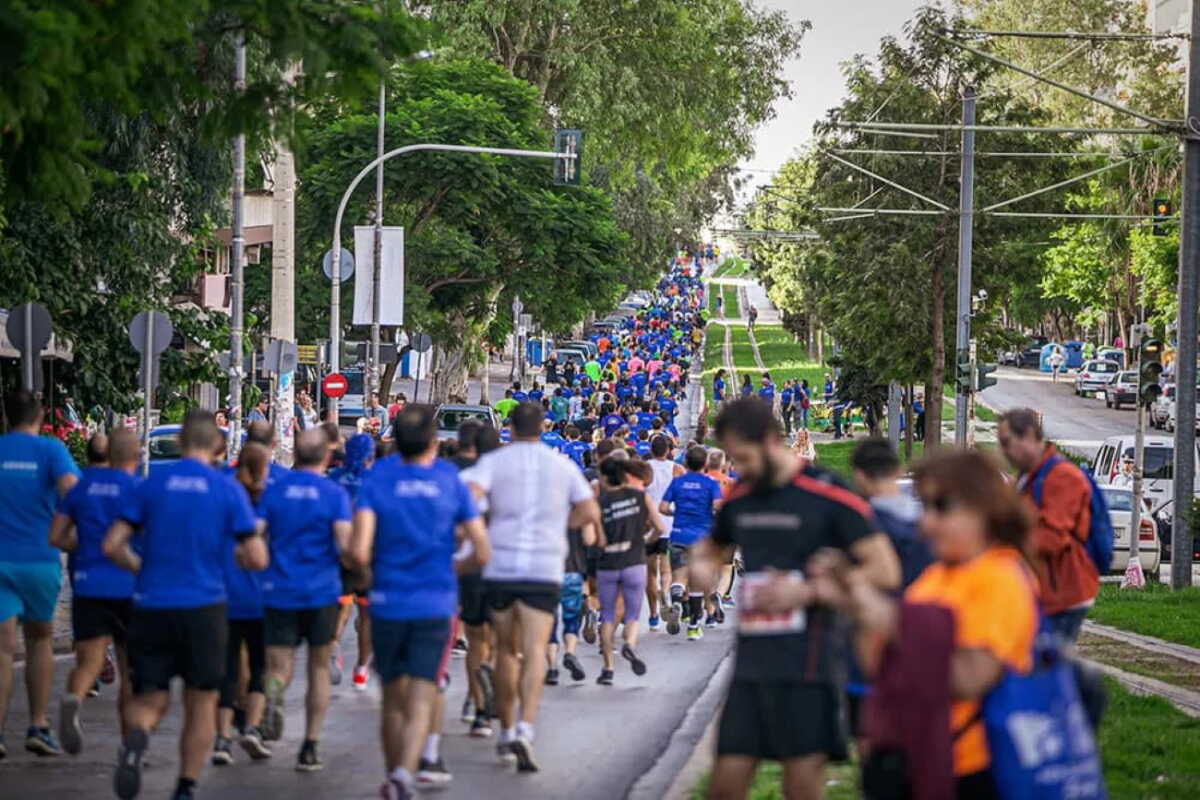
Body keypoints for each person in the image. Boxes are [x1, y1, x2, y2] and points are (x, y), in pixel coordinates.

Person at [696, 398, 900, 800]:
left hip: (810, 661)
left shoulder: (828, 493)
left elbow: (885, 569)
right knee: (725, 782)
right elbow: (712, 549)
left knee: (802, 784)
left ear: (773, 441)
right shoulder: (741, 497)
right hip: (752, 663)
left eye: (746, 458)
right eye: (734, 461)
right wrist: (702, 569)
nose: (741, 469)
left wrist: (809, 590)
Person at [807, 449, 1039, 799]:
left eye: (941, 507)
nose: (926, 522)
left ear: (983, 508)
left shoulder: (1000, 577)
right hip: (914, 758)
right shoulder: (937, 575)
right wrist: (853, 601)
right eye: (925, 506)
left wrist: (884, 615)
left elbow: (968, 678)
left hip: (970, 769)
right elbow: (878, 663)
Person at [103, 410, 267, 800]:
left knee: (150, 697)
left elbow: (111, 545)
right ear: (216, 446)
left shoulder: (150, 487)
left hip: (151, 604)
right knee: (201, 701)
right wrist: (243, 556)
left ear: (179, 444)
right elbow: (257, 557)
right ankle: (185, 786)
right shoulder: (227, 490)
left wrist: (139, 567)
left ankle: (138, 733)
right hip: (205, 607)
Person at [347, 405, 490, 800]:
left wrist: (373, 580)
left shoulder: (377, 478)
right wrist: (451, 571)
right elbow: (480, 548)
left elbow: (359, 552)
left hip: (387, 602)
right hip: (435, 602)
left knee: (393, 696)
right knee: (423, 692)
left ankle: (395, 770)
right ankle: (405, 775)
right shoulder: (449, 480)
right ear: (433, 442)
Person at [466, 402, 601, 772]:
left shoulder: (494, 463)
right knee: (535, 650)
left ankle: (506, 731)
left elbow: (467, 498)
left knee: (507, 653)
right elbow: (589, 511)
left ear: (510, 428)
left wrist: (483, 528)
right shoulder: (561, 465)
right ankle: (526, 727)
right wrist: (562, 524)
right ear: (543, 427)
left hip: (502, 567)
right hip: (543, 569)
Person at [257, 429, 352, 771]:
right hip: (321, 592)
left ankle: (274, 693)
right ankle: (310, 745)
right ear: (326, 457)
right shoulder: (334, 494)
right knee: (318, 669)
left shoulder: (275, 491)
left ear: (294, 453)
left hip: (279, 590)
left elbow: (256, 537)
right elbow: (344, 545)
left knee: (278, 665)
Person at [0, 389, 80, 758]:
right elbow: (74, 492)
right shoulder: (51, 451)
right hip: (40, 558)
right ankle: (38, 724)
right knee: (39, 641)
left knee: (2, 650)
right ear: (41, 415)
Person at [49, 430, 139, 756]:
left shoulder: (81, 487)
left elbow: (57, 536)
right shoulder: (137, 490)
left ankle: (73, 696)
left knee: (88, 663)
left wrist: (84, 546)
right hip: (129, 589)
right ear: (137, 455)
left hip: (88, 584)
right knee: (131, 673)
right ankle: (130, 747)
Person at [997, 409, 1098, 642]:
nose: (1003, 450)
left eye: (1006, 442)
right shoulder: (1028, 477)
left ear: (1031, 435)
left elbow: (1052, 537)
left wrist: (1005, 547)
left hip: (1062, 590)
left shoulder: (1062, 477)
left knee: (1045, 663)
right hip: (1040, 588)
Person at [213, 442, 272, 766]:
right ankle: (252, 727)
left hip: (223, 595)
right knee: (260, 668)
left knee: (228, 670)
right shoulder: (266, 504)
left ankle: (222, 739)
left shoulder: (223, 501)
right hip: (260, 597)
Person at [595, 458, 665, 684]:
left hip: (608, 562)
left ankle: (608, 668)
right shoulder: (640, 497)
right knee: (633, 613)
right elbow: (660, 528)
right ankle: (629, 644)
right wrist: (645, 540)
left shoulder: (600, 502)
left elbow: (595, 538)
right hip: (634, 559)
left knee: (607, 615)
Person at [659, 446, 725, 640]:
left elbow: (662, 507)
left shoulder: (677, 483)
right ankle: (694, 627)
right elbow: (717, 507)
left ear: (685, 463)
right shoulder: (710, 484)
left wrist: (675, 513)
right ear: (705, 464)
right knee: (697, 583)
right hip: (701, 538)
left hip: (678, 535)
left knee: (678, 576)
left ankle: (677, 598)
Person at [644, 436, 682, 631]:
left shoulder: (645, 469)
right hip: (669, 524)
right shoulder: (676, 469)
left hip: (649, 526)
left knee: (650, 573)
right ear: (668, 450)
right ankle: (665, 592)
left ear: (651, 449)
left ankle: (653, 615)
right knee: (666, 570)